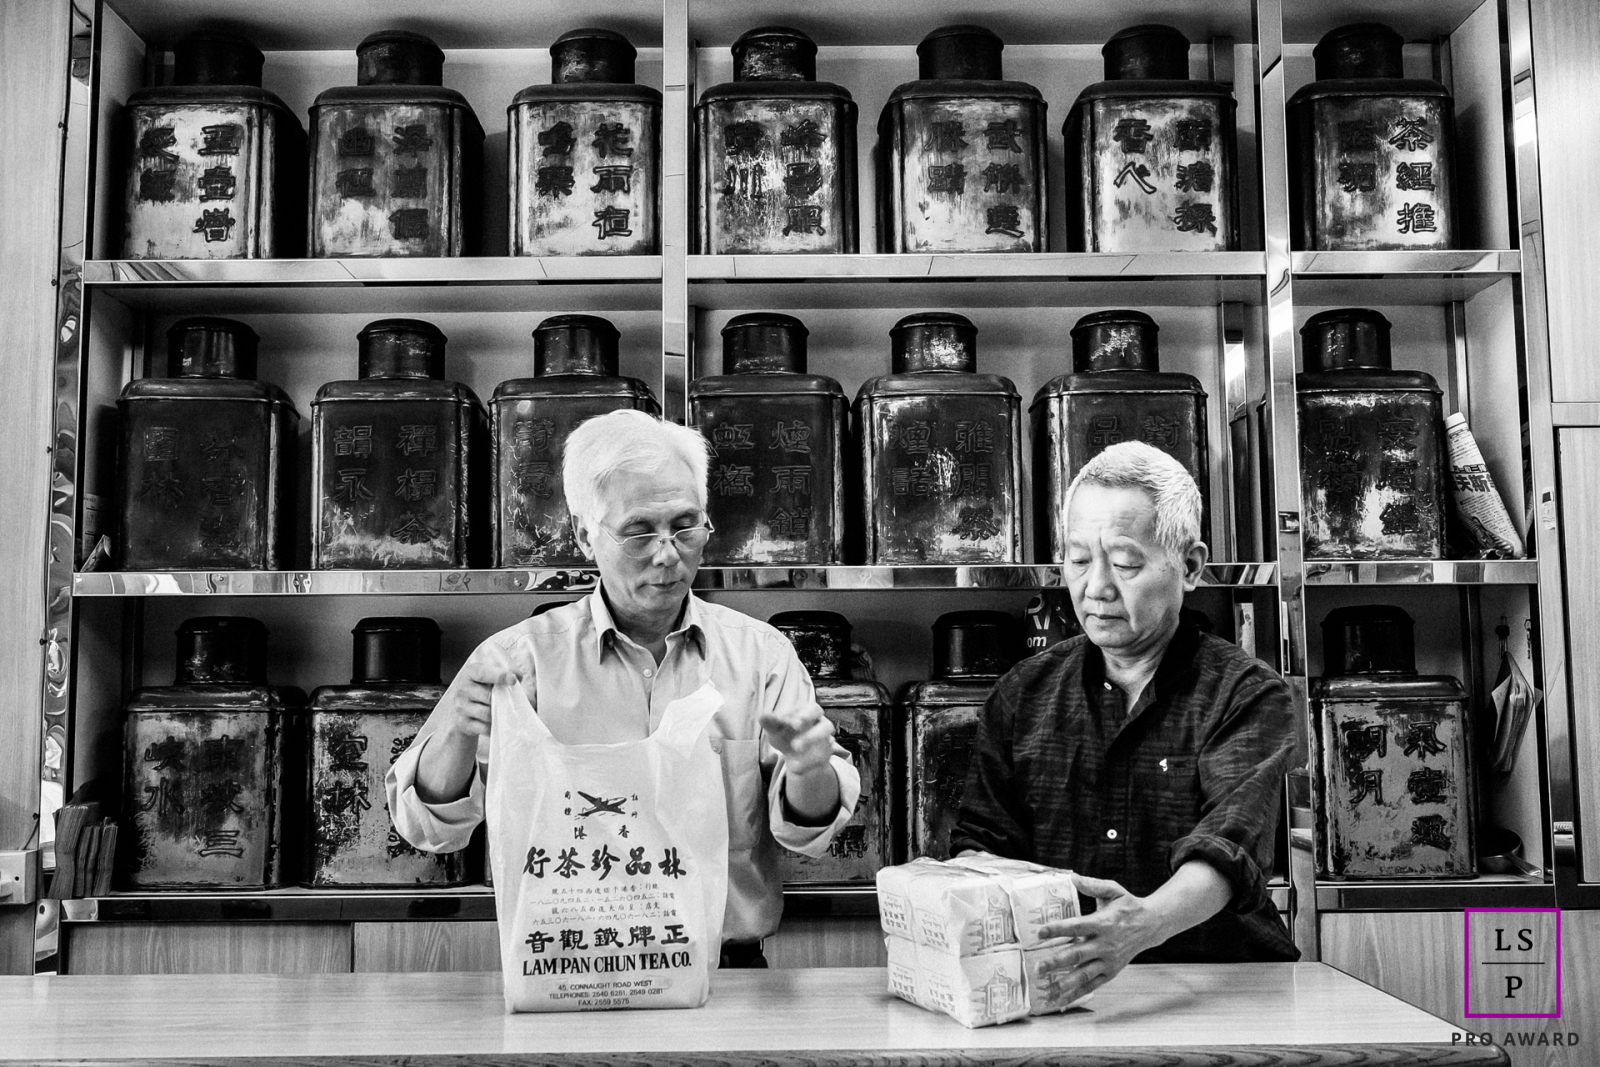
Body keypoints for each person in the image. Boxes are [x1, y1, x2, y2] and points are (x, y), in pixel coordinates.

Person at [386, 409, 860, 968]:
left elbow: (811, 834)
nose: (667, 554)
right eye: (639, 531)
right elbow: (428, 830)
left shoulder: (759, 657)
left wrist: (810, 770)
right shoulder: (517, 662)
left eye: (686, 526)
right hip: (569, 966)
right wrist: (457, 741)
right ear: (586, 536)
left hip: (726, 974)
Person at [950, 440, 1299, 1003]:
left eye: (1126, 562)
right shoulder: (1024, 691)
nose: (1097, 588)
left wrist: (1140, 926)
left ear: (1189, 566)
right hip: (1065, 987)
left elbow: (1227, 847)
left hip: (1224, 984)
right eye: (1080, 560)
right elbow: (981, 844)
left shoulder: (1246, 691)